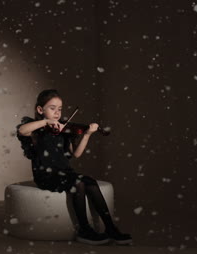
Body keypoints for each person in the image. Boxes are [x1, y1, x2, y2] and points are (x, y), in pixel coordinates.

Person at [16, 89, 132, 245]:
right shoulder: (35, 129)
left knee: (89, 181)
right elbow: (22, 130)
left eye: (60, 109)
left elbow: (76, 154)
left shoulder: (64, 130)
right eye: (52, 108)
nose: (57, 112)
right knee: (78, 183)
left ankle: (110, 228)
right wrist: (46, 122)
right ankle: (84, 230)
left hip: (65, 172)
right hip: (46, 175)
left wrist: (87, 135)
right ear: (40, 110)